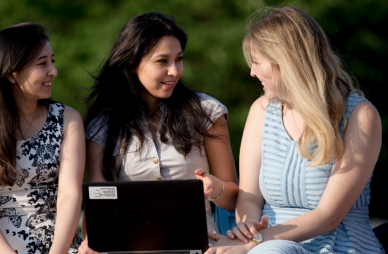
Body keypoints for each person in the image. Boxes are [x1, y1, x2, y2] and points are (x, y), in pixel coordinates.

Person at [205, 6, 384, 254]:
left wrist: (252, 243)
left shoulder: (360, 115)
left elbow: (328, 216)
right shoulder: (261, 110)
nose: (252, 72)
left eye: (257, 62)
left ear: (287, 62)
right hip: (266, 245)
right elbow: (250, 198)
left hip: (339, 246)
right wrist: (246, 229)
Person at [78, 12, 239, 254]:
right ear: (132, 64)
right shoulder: (104, 123)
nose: (174, 71)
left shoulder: (206, 112)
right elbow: (97, 202)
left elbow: (234, 196)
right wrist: (93, 238)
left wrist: (214, 187)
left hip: (201, 247)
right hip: (130, 247)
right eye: (162, 61)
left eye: (179, 59)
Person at [0, 23, 85, 254]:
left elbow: (70, 195)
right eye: (42, 63)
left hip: (60, 244)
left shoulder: (68, 120)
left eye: (52, 61)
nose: (53, 71)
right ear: (10, 74)